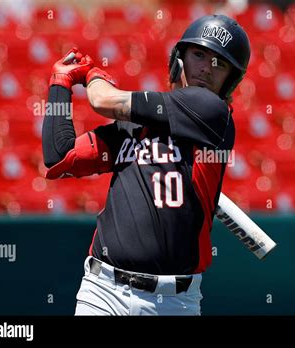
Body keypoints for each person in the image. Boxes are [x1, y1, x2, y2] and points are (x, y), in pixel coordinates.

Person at [42, 14, 250, 315]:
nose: (207, 67)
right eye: (199, 54)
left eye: (220, 62)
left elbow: (103, 101)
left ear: (230, 78)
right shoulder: (133, 127)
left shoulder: (214, 114)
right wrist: (59, 84)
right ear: (179, 60)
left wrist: (92, 75)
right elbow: (60, 156)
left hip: (173, 301)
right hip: (102, 291)